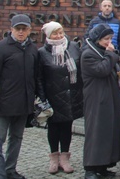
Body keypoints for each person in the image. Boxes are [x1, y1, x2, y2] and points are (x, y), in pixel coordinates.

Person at [37, 22, 83, 175]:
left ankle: (65, 157)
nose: (59, 36)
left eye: (61, 32)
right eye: (55, 33)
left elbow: (81, 70)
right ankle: (54, 158)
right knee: (53, 127)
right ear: (48, 36)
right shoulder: (42, 53)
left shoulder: (73, 47)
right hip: (53, 96)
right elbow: (39, 78)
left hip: (71, 95)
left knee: (66, 128)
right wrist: (42, 98)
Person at [81, 23, 120, 179]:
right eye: (106, 39)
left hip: (110, 97)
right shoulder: (88, 54)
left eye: (110, 38)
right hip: (96, 98)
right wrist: (111, 55)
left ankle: (103, 166)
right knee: (96, 132)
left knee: (108, 132)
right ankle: (90, 168)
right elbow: (102, 70)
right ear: (97, 38)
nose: (109, 42)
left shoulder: (104, 52)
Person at [0, 14, 38, 179]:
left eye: (24, 29)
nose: (21, 32)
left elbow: (36, 76)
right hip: (3, 103)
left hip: (23, 104)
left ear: (29, 30)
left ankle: (10, 170)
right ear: (11, 29)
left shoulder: (32, 49)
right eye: (18, 29)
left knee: (16, 138)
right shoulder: (1, 47)